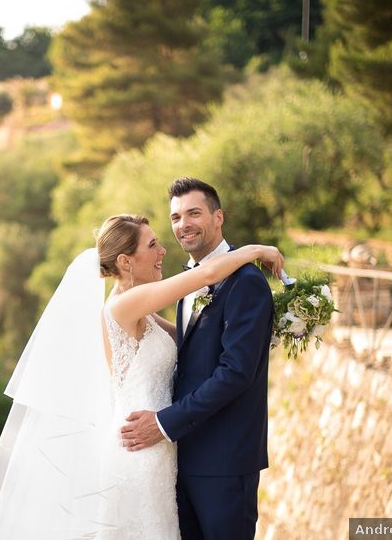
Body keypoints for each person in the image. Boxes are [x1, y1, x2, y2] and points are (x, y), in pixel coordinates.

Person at [0, 208, 282, 539]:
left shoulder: (144, 314)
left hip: (160, 446)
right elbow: (204, 276)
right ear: (125, 262)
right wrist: (256, 251)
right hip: (140, 449)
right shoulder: (123, 306)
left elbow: (198, 343)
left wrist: (255, 331)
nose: (163, 252)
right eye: (152, 245)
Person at [121, 178, 275, 540]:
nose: (183, 224)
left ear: (218, 217)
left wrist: (162, 423)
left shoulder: (246, 282)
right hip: (177, 459)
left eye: (194, 213)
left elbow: (235, 373)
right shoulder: (187, 284)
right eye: (175, 217)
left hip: (224, 459)